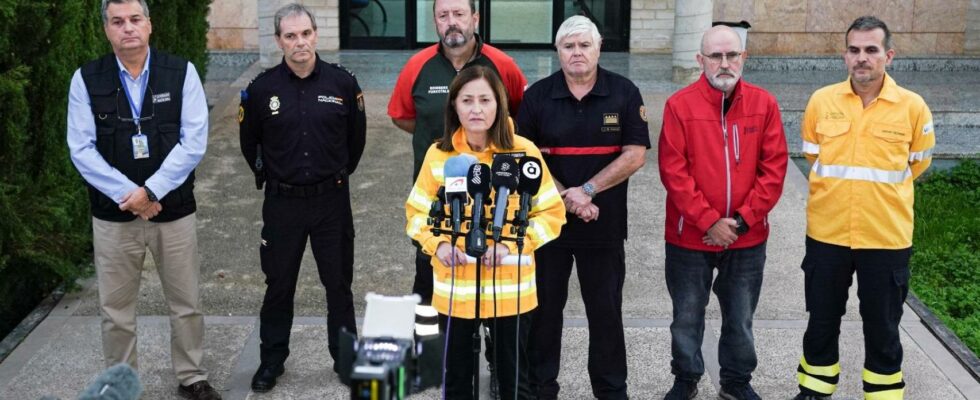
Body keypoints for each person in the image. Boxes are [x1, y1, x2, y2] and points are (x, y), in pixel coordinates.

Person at [66, 1, 218, 399]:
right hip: (113, 217)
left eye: (135, 20)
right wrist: (130, 197)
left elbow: (194, 141)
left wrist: (150, 192)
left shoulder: (181, 72)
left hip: (173, 212)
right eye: (117, 22)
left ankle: (192, 377)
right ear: (106, 31)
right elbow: (81, 149)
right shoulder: (85, 79)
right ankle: (121, 384)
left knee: (186, 302)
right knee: (115, 312)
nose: (127, 28)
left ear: (149, 26)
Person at [793, 16, 934, 400]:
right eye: (854, 50)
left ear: (888, 55)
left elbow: (918, 163)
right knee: (822, 320)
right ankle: (815, 390)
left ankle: (883, 394)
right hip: (827, 233)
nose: (862, 58)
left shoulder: (912, 107)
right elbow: (813, 156)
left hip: (885, 238)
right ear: (844, 55)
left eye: (871, 50)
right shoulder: (822, 102)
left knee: (883, 324)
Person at [404, 65, 565, 399]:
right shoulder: (439, 155)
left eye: (484, 100)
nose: (476, 109)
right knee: (456, 381)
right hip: (454, 291)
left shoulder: (525, 153)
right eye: (466, 100)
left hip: (511, 291)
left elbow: (552, 212)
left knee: (514, 384)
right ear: (454, 106)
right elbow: (416, 214)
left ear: (499, 105)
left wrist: (513, 247)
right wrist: (437, 245)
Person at [516, 16, 649, 400]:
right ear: (558, 51)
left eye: (583, 45)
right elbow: (526, 157)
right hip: (548, 228)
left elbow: (635, 155)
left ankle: (610, 391)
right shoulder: (538, 96)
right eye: (568, 46)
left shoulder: (624, 92)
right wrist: (567, 198)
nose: (576, 53)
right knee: (543, 316)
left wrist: (588, 190)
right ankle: (541, 390)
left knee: (605, 315)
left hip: (603, 228)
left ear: (599, 48)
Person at [238, 3, 366, 393]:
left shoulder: (343, 84)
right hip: (283, 205)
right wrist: (272, 178)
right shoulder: (261, 90)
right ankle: (271, 361)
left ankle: (345, 360)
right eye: (290, 36)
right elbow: (250, 145)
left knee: (338, 285)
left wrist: (335, 176)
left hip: (331, 203)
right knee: (279, 285)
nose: (300, 43)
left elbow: (356, 143)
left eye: (306, 34)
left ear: (316, 35)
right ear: (279, 40)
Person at [658, 25, 788, 400]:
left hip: (747, 238)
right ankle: (686, 378)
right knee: (686, 316)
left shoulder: (764, 104)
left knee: (740, 318)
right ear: (700, 60)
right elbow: (674, 172)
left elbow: (774, 168)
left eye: (732, 55)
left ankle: (735, 382)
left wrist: (742, 220)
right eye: (715, 56)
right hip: (688, 237)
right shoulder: (680, 106)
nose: (725, 63)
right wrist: (710, 221)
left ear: (743, 58)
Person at [388, 0, 527, 305]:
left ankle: (493, 349)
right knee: (429, 294)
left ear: (475, 18)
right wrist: (445, 143)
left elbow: (518, 116)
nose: (452, 21)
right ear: (435, 21)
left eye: (459, 14)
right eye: (443, 15)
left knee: (494, 300)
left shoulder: (502, 65)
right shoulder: (417, 66)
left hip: (493, 203)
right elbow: (401, 115)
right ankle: (429, 352)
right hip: (437, 200)